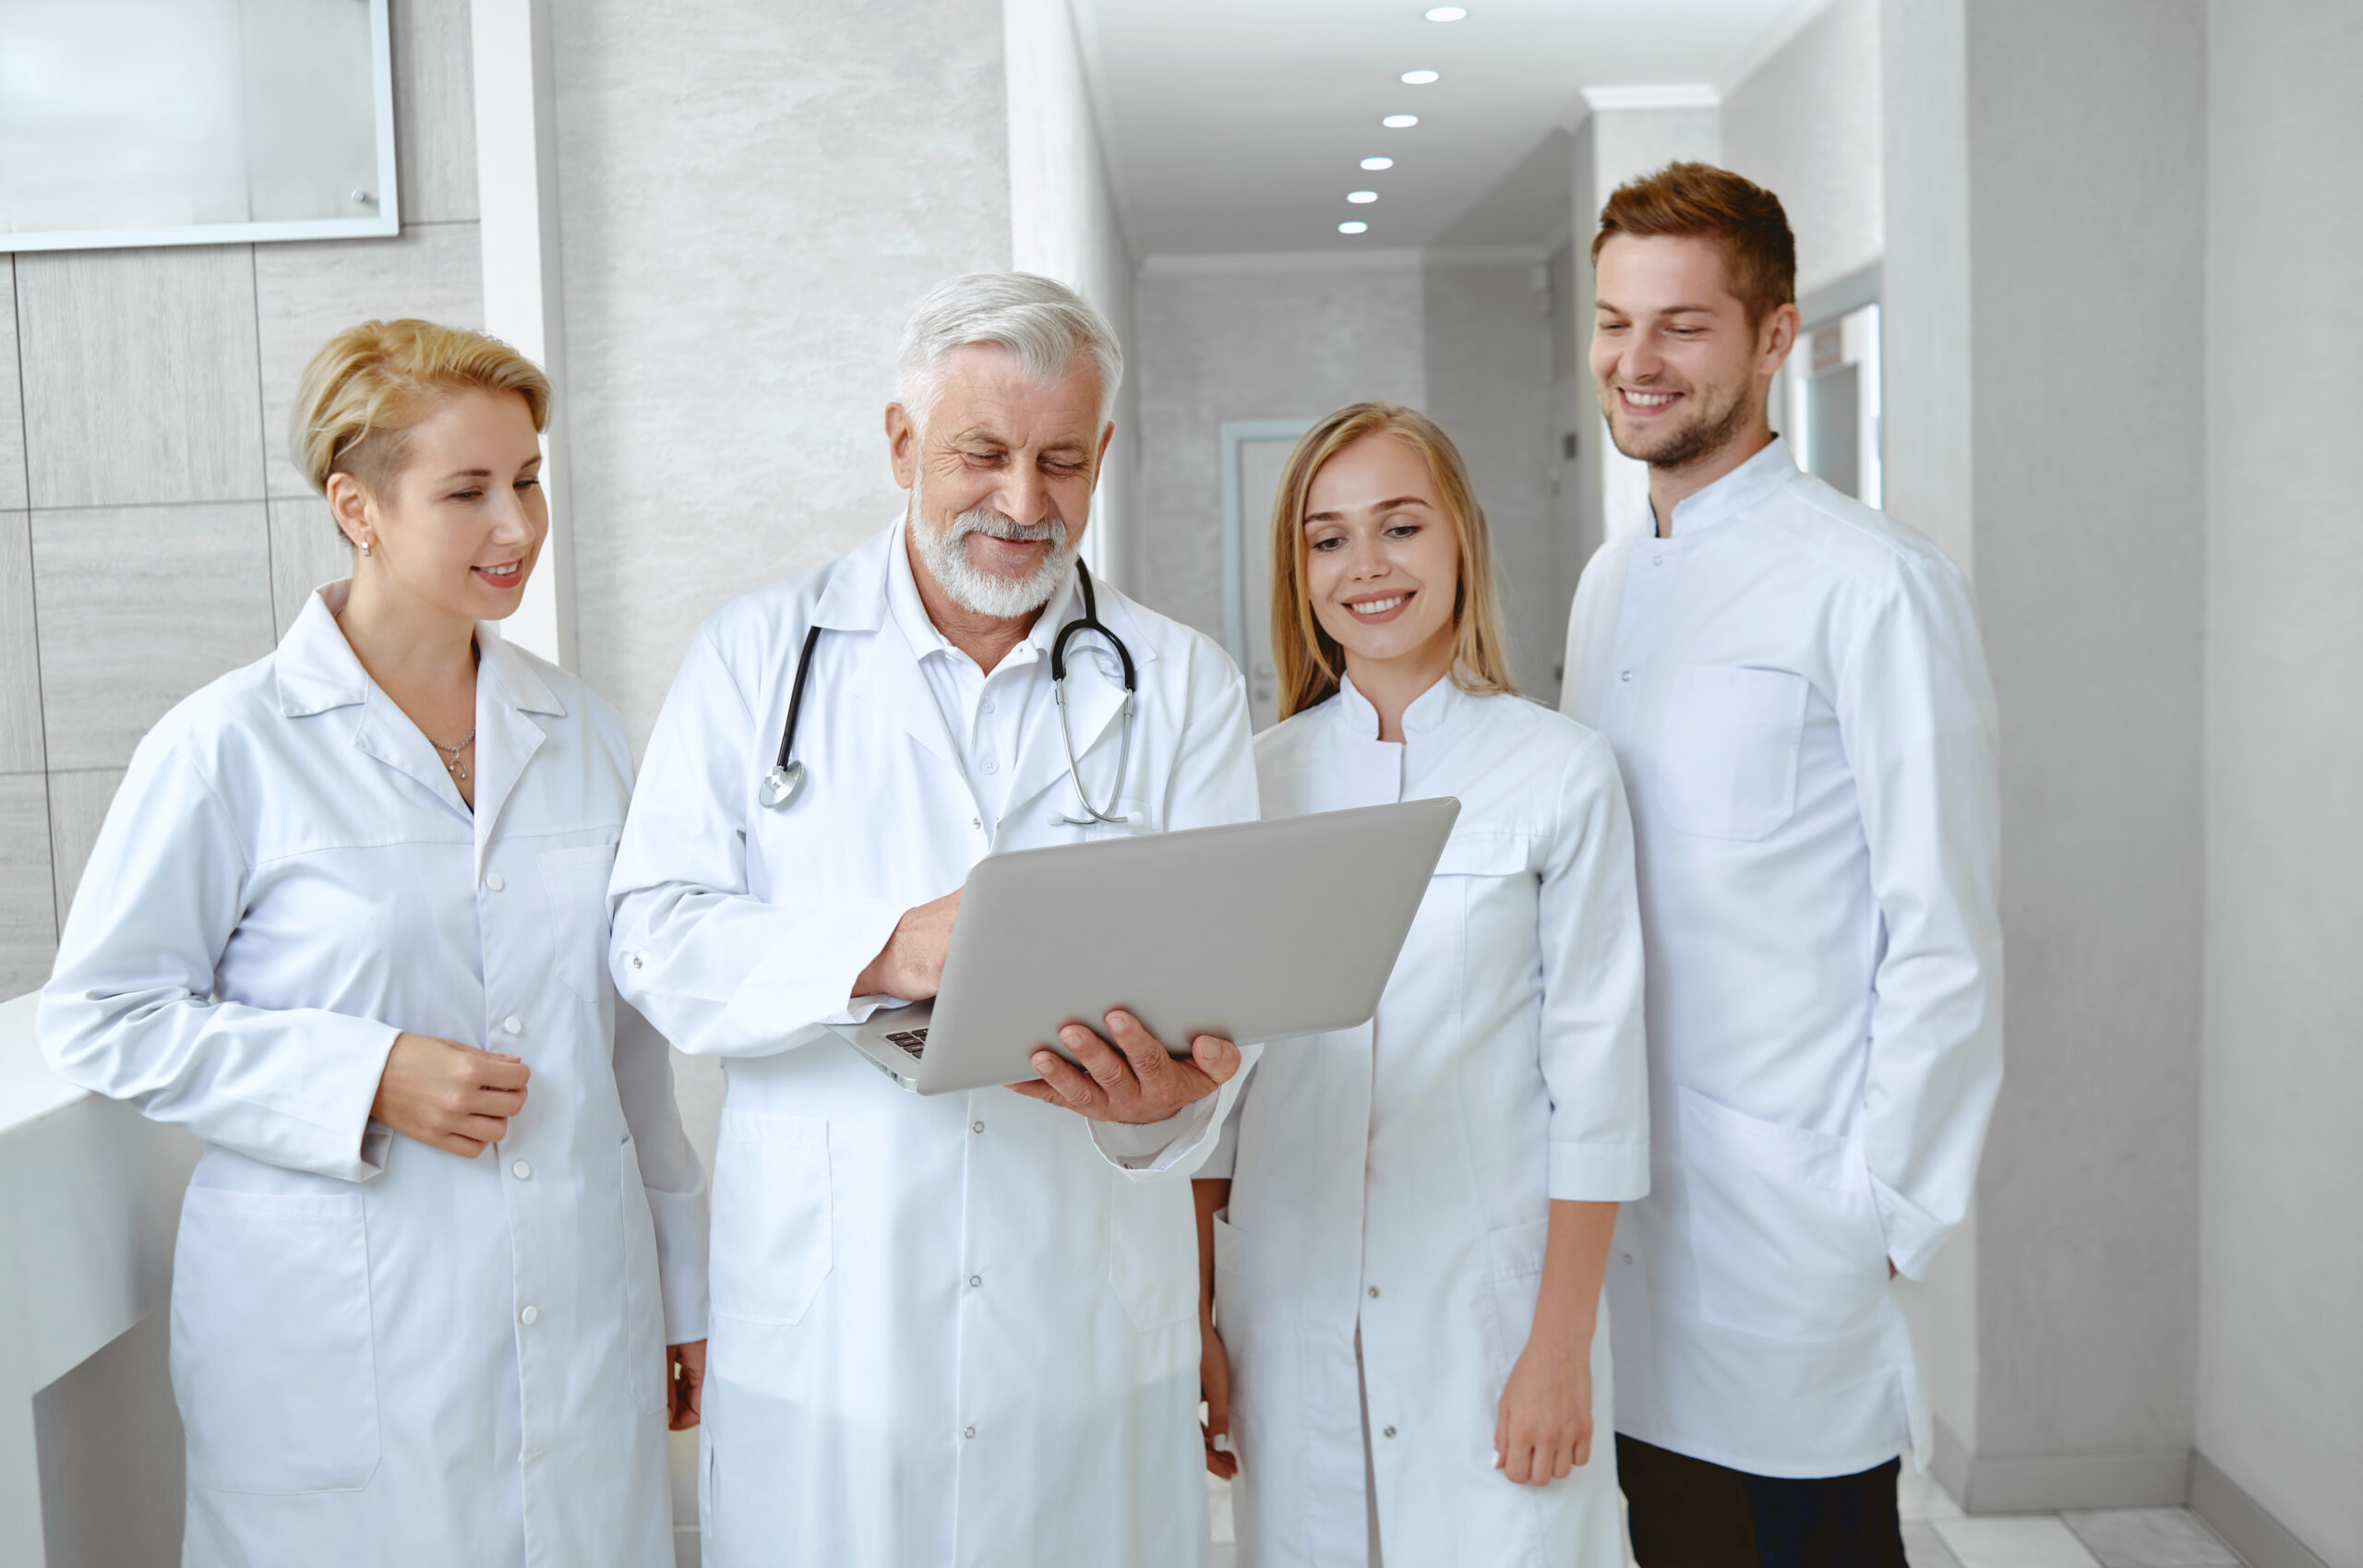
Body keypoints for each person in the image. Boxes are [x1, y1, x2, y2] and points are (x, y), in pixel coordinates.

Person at [606, 271, 1258, 1567]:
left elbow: (1231, 1001)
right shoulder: (754, 657)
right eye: (984, 453)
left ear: (1103, 458)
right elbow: (653, 939)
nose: (1024, 503)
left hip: (1083, 1335)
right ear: (902, 445)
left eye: (1062, 460)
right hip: (832, 1343)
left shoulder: (1177, 680)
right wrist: (885, 948)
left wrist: (1164, 1113)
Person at [38, 319, 708, 1567]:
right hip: (334, 1329)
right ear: (358, 505)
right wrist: (365, 1076)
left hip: (578, 1301)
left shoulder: (583, 731)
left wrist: (683, 1280)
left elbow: (631, 1041)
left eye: (528, 477)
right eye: (467, 491)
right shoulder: (229, 744)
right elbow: (106, 1013)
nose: (517, 524)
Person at [1562, 162, 2003, 1566]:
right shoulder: (1609, 582)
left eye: (1682, 325)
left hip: (1793, 1231)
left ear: (1774, 338)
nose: (1637, 362)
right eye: (1614, 320)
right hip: (1633, 1224)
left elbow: (1947, 931)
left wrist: (1883, 1209)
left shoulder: (1872, 585)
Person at [1194, 403, 1650, 1567]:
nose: (1367, 567)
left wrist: (1558, 1345)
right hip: (1290, 1306)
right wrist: (1202, 1310)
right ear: (1296, 573)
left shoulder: (1558, 772)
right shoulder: (1250, 782)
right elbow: (1214, 1101)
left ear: (1461, 541)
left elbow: (1595, 1089)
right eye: (1327, 538)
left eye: (1400, 526)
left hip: (1485, 1315)